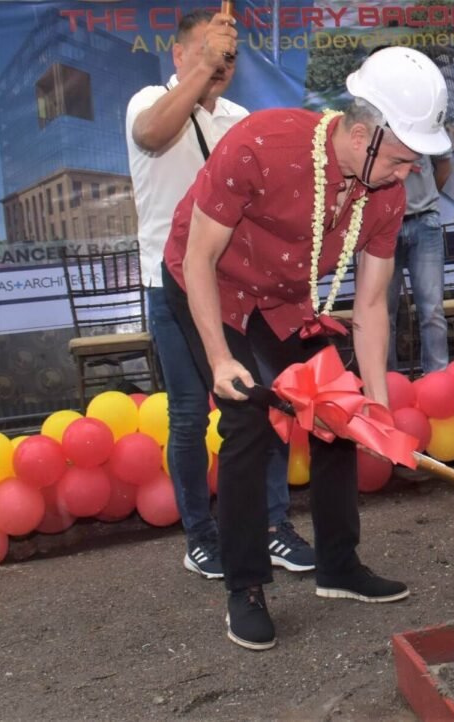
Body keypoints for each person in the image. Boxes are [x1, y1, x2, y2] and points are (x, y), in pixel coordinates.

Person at [161, 47, 452, 650]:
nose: (407, 175)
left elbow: (371, 304)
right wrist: (220, 360)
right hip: (208, 283)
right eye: (401, 159)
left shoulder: (387, 194)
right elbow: (199, 258)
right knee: (248, 419)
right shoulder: (262, 144)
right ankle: (244, 586)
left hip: (280, 295)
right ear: (366, 134)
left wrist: (376, 405)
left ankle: (339, 567)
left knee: (338, 409)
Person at [126, 9, 314, 580]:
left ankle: (274, 524)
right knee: (188, 416)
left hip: (239, 290)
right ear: (179, 55)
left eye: (229, 57)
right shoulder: (149, 102)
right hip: (171, 286)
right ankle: (200, 535)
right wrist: (203, 69)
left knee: (262, 402)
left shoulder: (241, 118)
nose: (222, 66)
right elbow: (151, 136)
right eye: (210, 53)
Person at [386, 153, 451, 374]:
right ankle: (385, 384)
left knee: (432, 309)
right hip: (381, 225)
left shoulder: (425, 118)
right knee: (381, 313)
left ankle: (437, 382)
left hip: (424, 220)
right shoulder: (370, 119)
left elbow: (444, 166)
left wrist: (427, 200)